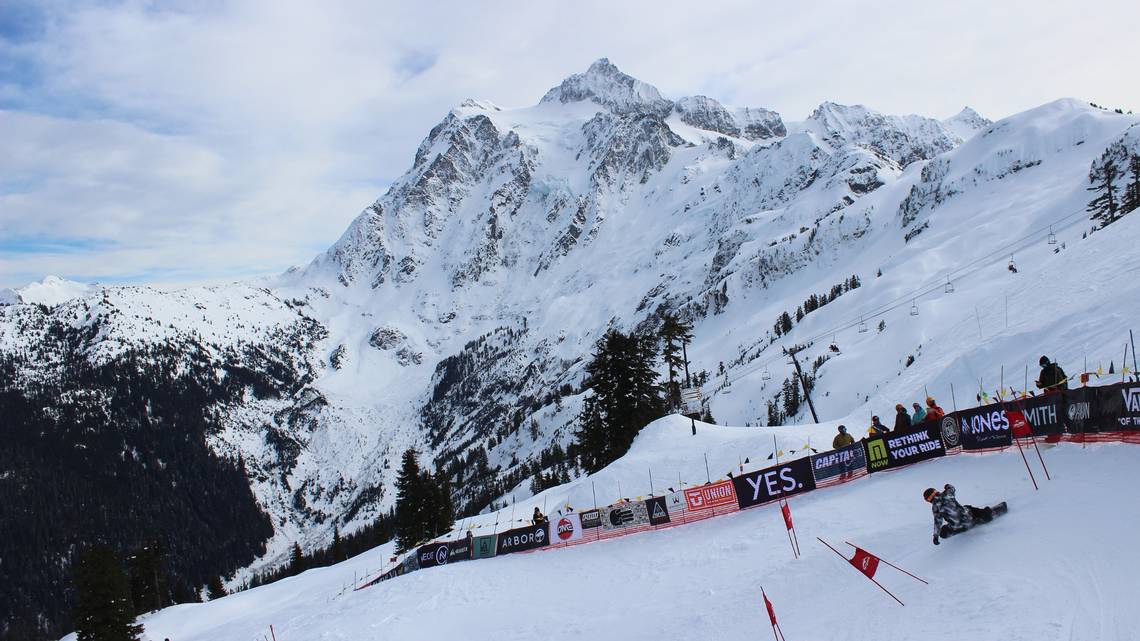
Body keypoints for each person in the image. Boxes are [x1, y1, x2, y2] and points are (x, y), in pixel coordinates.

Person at [924, 484, 993, 545]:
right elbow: (952, 488)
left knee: (942, 532)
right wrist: (947, 486)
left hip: (957, 527)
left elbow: (937, 522)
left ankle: (962, 526)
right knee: (968, 508)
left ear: (929, 500)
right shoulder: (947, 494)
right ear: (935, 492)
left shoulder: (935, 508)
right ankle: (985, 514)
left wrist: (936, 536)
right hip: (968, 518)